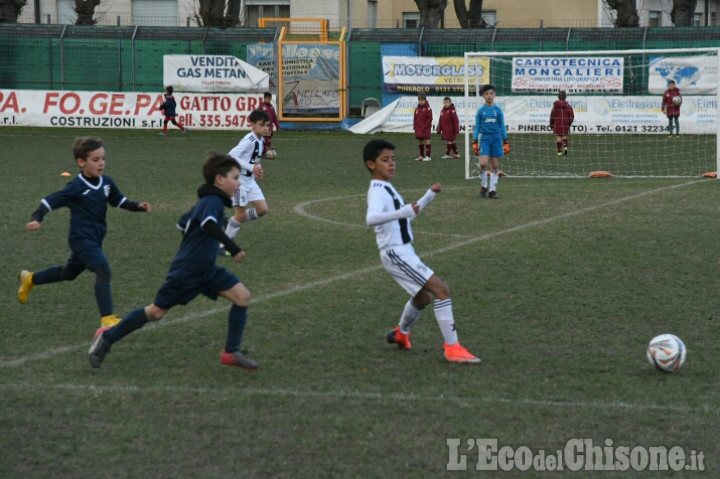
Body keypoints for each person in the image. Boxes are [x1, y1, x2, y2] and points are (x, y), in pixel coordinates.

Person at [88, 153, 259, 370]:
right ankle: (106, 339)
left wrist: (197, 245)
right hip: (187, 271)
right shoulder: (213, 201)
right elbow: (208, 224)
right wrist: (232, 247)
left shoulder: (206, 201)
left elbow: (183, 223)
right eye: (235, 178)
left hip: (205, 268)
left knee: (242, 296)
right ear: (219, 179)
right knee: (155, 312)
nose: (239, 183)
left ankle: (231, 352)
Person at [17, 137, 151, 337]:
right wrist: (37, 218)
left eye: (103, 159)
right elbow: (49, 201)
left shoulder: (106, 182)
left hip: (95, 239)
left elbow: (119, 201)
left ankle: (30, 279)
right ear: (81, 162)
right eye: (95, 160)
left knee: (68, 273)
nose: (101, 163)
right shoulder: (76, 187)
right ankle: (108, 318)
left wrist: (137, 206)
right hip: (81, 240)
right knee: (103, 268)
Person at [363, 139, 481, 364]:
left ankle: (401, 334)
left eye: (393, 159)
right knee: (441, 290)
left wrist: (428, 196)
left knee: (423, 297)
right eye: (385, 160)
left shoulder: (388, 188)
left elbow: (407, 215)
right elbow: (371, 218)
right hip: (395, 252)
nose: (392, 164)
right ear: (371, 164)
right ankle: (452, 348)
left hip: (402, 250)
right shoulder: (377, 190)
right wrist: (402, 212)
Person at [221, 110, 270, 249]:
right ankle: (224, 244)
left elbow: (254, 159)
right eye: (262, 125)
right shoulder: (249, 140)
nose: (265, 128)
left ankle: (232, 222)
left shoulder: (260, 140)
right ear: (253, 125)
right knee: (241, 214)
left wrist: (258, 168)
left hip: (250, 181)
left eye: (267, 125)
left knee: (262, 210)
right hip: (239, 181)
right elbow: (231, 156)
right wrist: (250, 167)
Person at [472, 84, 508, 199]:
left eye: (491, 93)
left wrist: (505, 140)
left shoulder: (498, 110)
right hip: (485, 139)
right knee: (483, 164)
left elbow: (502, 125)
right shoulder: (481, 111)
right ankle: (484, 186)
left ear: (494, 95)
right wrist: (475, 140)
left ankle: (492, 190)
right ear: (483, 96)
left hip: (496, 139)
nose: (489, 96)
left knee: (494, 165)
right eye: (486, 94)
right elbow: (477, 126)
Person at [549, 90, 575, 156]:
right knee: (564, 136)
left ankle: (559, 151)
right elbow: (571, 116)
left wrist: (551, 125)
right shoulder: (568, 106)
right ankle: (565, 147)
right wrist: (569, 123)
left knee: (558, 137)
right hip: (565, 122)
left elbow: (552, 116)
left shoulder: (555, 107)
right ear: (565, 97)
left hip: (557, 122)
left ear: (558, 97)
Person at [260, 92, 281, 158]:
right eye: (266, 98)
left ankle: (266, 152)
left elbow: (274, 117)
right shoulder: (261, 106)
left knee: (268, 141)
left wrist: (278, 126)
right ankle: (262, 153)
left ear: (271, 99)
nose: (268, 100)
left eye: (269, 98)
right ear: (264, 98)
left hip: (270, 128)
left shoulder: (271, 107)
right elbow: (257, 115)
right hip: (263, 127)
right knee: (263, 140)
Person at [413, 93, 433, 162]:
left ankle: (428, 156)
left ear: (425, 100)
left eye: (422, 100)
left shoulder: (428, 109)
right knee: (420, 141)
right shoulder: (417, 109)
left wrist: (425, 126)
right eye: (420, 100)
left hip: (425, 128)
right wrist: (415, 127)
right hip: (419, 129)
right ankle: (421, 156)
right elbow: (415, 119)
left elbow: (430, 118)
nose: (421, 102)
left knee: (427, 140)